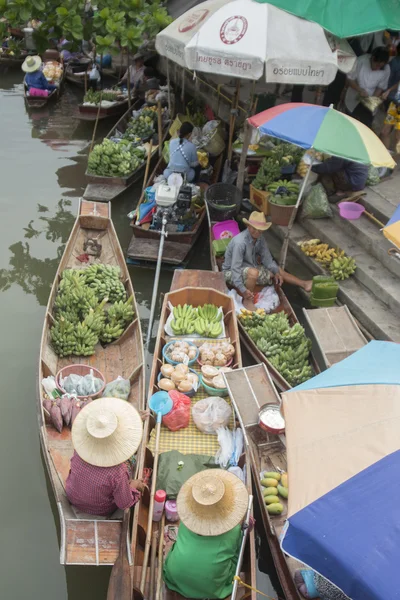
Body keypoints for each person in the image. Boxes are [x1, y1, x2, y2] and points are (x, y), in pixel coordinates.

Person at [163, 469, 249, 599]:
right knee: (234, 558)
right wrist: (245, 532)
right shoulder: (234, 531)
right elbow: (235, 555)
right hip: (209, 587)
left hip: (175, 574)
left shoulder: (187, 521)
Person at [66, 397, 146, 516]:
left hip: (72, 496)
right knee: (129, 463)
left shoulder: (80, 449)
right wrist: (134, 485)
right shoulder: (118, 471)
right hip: (99, 509)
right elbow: (124, 504)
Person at [222, 211, 312, 299]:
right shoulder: (240, 243)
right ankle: (247, 300)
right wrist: (243, 289)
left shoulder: (260, 238)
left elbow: (267, 259)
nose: (257, 231)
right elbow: (235, 268)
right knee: (254, 273)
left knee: (277, 270)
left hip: (249, 267)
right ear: (248, 226)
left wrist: (276, 272)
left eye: (260, 229)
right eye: (254, 228)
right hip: (230, 273)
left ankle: (304, 284)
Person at [344, 46, 390, 127]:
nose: (377, 68)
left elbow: (380, 87)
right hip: (353, 98)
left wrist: (372, 99)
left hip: (369, 103)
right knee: (348, 123)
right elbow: (350, 79)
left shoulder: (386, 69)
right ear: (372, 58)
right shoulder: (360, 61)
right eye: (375, 65)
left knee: (365, 126)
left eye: (379, 66)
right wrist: (359, 90)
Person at [381, 45, 400, 150]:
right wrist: (389, 90)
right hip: (394, 103)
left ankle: (394, 165)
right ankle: (385, 163)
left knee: (398, 138)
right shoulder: (396, 62)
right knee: (384, 132)